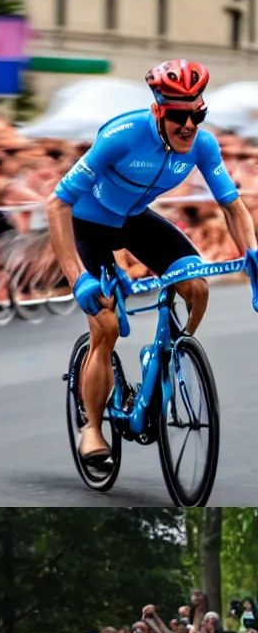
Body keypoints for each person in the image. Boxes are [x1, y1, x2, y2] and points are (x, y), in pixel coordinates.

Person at [48, 60, 255, 467]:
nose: (189, 125)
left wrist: (254, 253)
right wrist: (79, 280)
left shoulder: (203, 144)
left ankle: (171, 355)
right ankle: (92, 428)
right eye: (179, 115)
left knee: (195, 285)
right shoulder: (121, 137)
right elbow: (57, 205)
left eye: (198, 114)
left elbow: (232, 205)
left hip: (134, 221)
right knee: (105, 326)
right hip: (88, 226)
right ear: (159, 111)